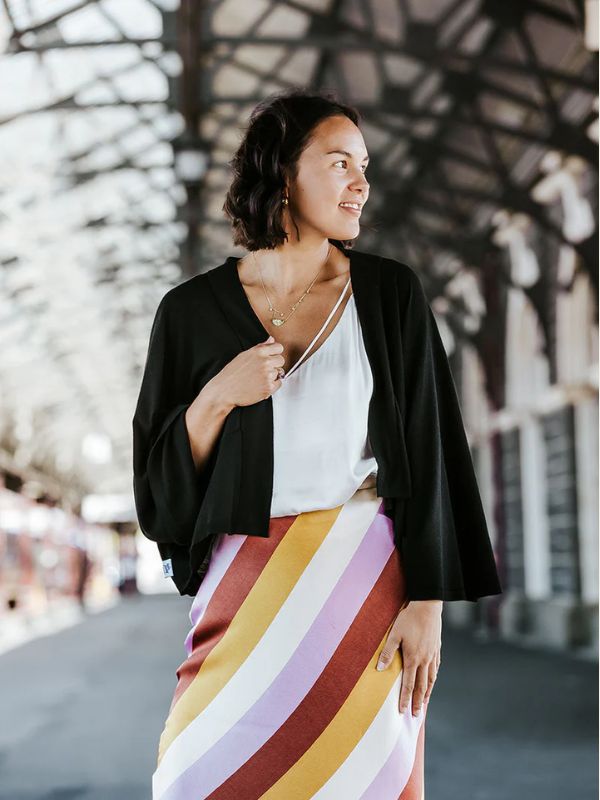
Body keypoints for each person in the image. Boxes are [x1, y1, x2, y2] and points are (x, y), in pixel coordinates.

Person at [133, 88, 502, 799]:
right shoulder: (188, 314)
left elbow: (432, 456)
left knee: (361, 780)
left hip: (364, 585)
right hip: (242, 587)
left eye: (364, 165)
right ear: (282, 171)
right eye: (339, 162)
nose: (362, 183)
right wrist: (216, 396)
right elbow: (159, 492)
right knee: (192, 775)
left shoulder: (391, 296)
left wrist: (428, 605)